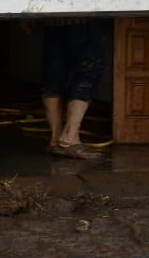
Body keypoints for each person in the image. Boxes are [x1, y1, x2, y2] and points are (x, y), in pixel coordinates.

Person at [39, 17, 109, 160]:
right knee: (87, 74)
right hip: (83, 19)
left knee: (53, 77)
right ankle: (68, 138)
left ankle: (55, 139)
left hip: (52, 21)